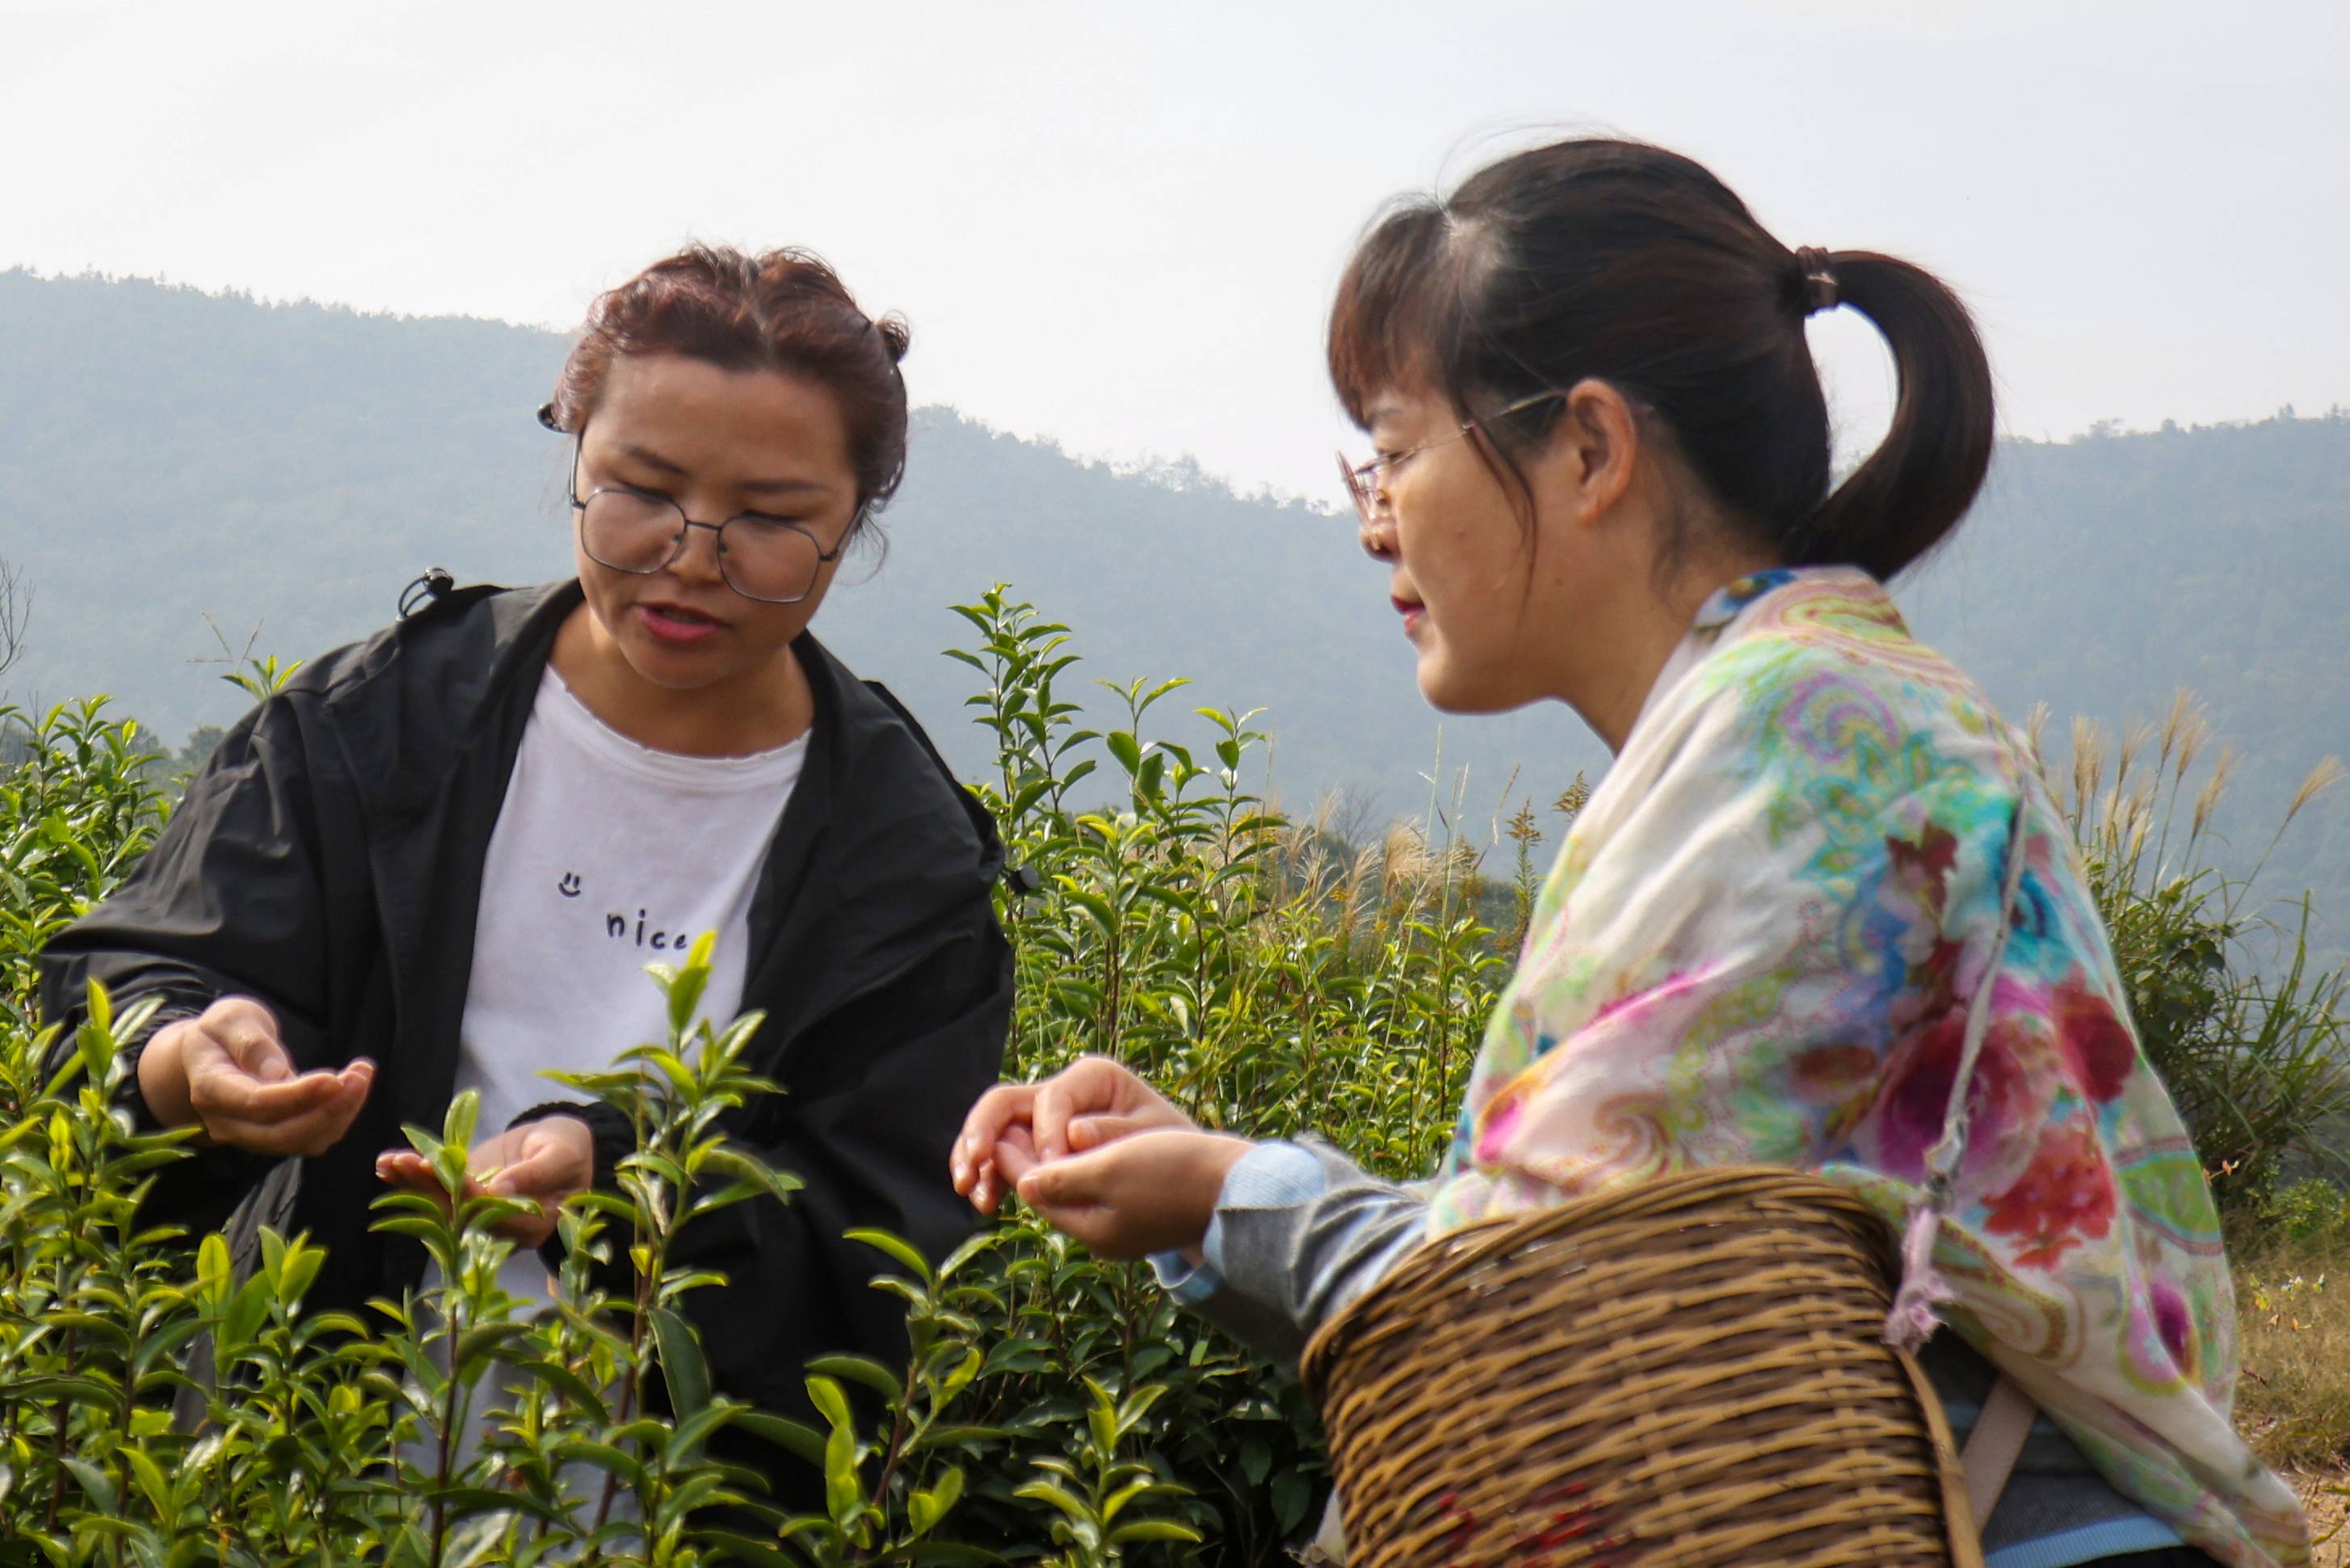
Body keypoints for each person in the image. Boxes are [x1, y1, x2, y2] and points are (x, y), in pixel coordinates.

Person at [953, 139, 2306, 1568]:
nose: (1373, 521)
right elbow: (1593, 1248)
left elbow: (1535, 1287)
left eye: (1397, 450)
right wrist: (1202, 1183)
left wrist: (1226, 1191)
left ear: (1589, 449)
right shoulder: (1790, 711)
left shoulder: (1804, 742)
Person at [41, 244, 1013, 1511]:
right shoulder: (381, 723)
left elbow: (887, 1238)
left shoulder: (903, 859)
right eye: (641, 490)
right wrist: (183, 1056)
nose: (691, 555)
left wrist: (617, 1180)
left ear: (851, 524)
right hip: (305, 1476)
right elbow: (132, 973)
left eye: (772, 520)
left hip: (675, 1516)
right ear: (574, 453)